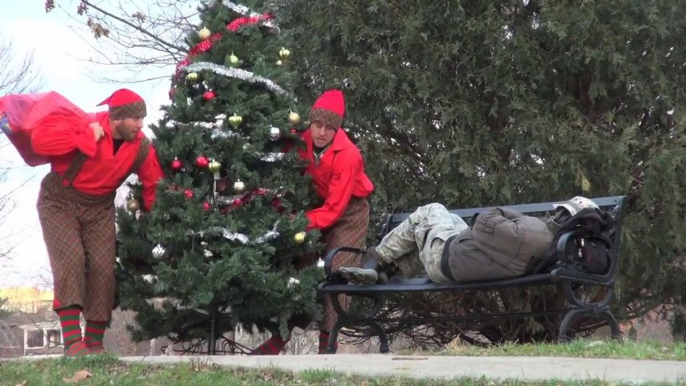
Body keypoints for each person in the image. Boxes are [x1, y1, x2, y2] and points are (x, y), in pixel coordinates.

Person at [30, 89, 164, 356]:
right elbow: (40, 143)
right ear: (117, 118)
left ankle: (93, 344)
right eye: (135, 118)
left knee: (103, 269)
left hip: (100, 208)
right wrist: (82, 138)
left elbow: (153, 183)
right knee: (71, 260)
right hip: (59, 202)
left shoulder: (140, 145)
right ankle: (72, 344)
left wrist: (155, 219)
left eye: (142, 118)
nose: (140, 124)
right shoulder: (85, 123)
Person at [250, 89, 374, 355]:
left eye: (329, 128)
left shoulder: (348, 156)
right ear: (311, 122)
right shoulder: (303, 141)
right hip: (316, 208)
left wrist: (298, 221)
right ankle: (280, 337)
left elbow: (334, 209)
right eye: (318, 125)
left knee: (338, 271)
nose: (321, 132)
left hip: (348, 213)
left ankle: (328, 341)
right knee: (302, 267)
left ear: (337, 130)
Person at [336, 197, 600, 285]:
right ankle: (387, 272)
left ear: (561, 215)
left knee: (431, 210)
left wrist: (510, 214)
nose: (552, 214)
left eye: (558, 212)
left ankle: (376, 260)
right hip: (460, 255)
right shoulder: (552, 247)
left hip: (444, 261)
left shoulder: (534, 233)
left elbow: (484, 222)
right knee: (446, 219)